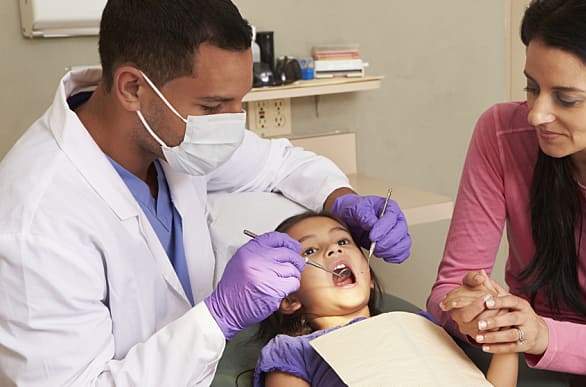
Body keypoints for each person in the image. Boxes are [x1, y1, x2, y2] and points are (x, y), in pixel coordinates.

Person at [0, 0, 411, 385]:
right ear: (132, 89)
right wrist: (218, 317)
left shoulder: (171, 137)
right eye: (213, 107)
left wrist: (341, 200)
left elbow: (283, 165)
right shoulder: (35, 221)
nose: (232, 127)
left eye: (241, 102)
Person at [428, 0, 586, 384]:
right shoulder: (499, 132)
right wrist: (473, 312)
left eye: (566, 98)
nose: (536, 114)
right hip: (536, 360)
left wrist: (541, 335)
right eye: (532, 87)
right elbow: (448, 290)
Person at [252, 211, 518, 387]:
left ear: (368, 276)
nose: (333, 249)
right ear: (289, 299)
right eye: (310, 250)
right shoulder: (292, 351)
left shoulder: (418, 325)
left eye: (343, 242)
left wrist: (507, 334)